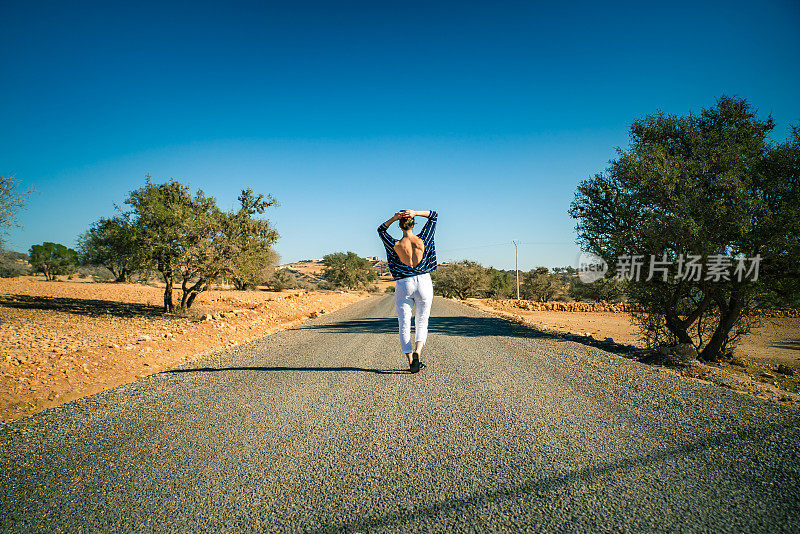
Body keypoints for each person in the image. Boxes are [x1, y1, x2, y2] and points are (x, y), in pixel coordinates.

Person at [378, 209, 438, 373]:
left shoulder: (395, 244)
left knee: (404, 323)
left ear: (400, 225)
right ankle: (418, 352)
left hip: (404, 283)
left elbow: (381, 230)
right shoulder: (423, 239)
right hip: (424, 282)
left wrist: (393, 217)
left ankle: (411, 360)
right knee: (422, 321)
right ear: (413, 223)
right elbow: (434, 215)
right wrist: (415, 212)